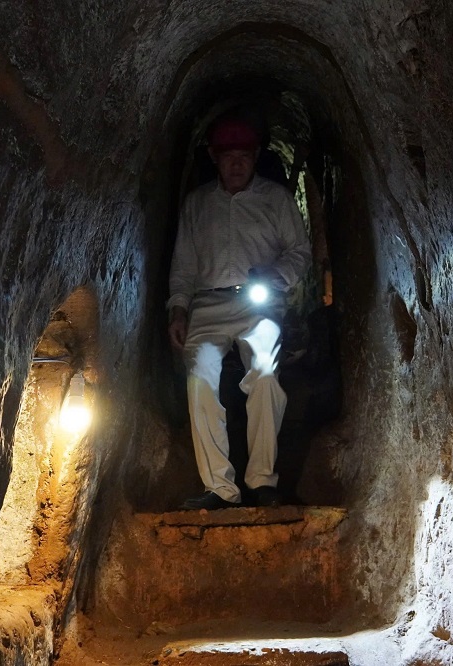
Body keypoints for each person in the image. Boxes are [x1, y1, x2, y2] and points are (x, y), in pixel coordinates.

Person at [167, 115, 312, 510]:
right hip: (208, 304)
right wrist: (178, 310)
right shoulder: (197, 205)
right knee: (200, 383)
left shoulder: (276, 200)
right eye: (228, 157)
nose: (236, 165)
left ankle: (262, 480)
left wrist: (276, 276)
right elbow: (182, 266)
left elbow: (300, 252)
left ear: (255, 158)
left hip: (258, 302)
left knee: (264, 376)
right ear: (214, 158)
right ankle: (220, 488)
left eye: (243, 157)